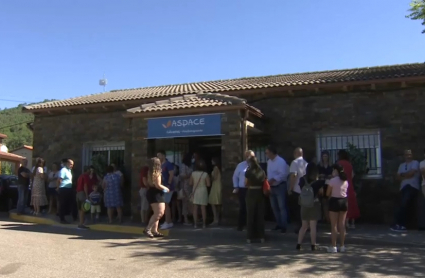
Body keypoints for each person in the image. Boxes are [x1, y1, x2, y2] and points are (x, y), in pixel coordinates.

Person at [296, 163, 325, 251]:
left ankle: (298, 244)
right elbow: (322, 192)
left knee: (304, 226)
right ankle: (313, 245)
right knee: (313, 226)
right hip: (314, 204)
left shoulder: (302, 180)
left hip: (304, 205)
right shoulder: (318, 182)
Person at [391, 149, 421, 232]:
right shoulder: (401, 165)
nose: (408, 156)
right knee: (401, 204)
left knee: (404, 203)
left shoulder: (415, 163)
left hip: (412, 186)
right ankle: (399, 224)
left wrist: (403, 175)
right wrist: (405, 175)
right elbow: (398, 177)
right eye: (406, 154)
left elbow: (411, 174)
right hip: (403, 187)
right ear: (404, 156)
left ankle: (402, 225)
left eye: (409, 154)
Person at [326, 163, 349, 253]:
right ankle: (342, 246)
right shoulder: (345, 181)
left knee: (334, 225)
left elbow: (328, 193)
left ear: (336, 171)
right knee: (342, 224)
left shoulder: (332, 180)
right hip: (344, 201)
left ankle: (334, 246)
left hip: (334, 201)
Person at [266, 146, 289, 233]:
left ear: (272, 152)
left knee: (281, 206)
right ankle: (279, 224)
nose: (266, 154)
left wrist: (274, 179)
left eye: (267, 153)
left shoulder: (281, 161)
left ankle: (284, 225)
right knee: (274, 207)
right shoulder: (269, 162)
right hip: (271, 186)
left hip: (280, 186)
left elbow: (283, 174)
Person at [144, 157, 170, 238]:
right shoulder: (157, 172)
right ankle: (148, 229)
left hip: (151, 192)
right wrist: (166, 188)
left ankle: (155, 231)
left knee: (156, 213)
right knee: (160, 213)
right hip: (156, 193)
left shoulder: (149, 172)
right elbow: (158, 185)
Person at [245, 156, 266, 244]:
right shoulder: (262, 172)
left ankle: (250, 237)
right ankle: (261, 236)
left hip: (251, 193)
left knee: (250, 215)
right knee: (260, 215)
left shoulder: (249, 172)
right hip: (260, 193)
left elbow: (245, 183)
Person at [233, 150, 255, 231]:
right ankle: (241, 225)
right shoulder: (240, 165)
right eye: (247, 156)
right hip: (242, 189)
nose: (249, 158)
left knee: (252, 207)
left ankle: (252, 225)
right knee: (243, 207)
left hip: (253, 189)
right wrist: (236, 187)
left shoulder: (255, 166)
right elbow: (235, 176)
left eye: (251, 156)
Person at [338, 150, 360, 229]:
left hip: (342, 185)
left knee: (344, 204)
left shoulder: (339, 164)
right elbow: (352, 175)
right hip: (350, 185)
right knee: (351, 203)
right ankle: (352, 223)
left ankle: (346, 222)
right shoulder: (349, 164)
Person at [288, 147, 308, 234]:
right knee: (305, 209)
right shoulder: (306, 163)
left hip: (297, 189)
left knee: (297, 209)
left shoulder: (294, 162)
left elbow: (294, 176)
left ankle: (300, 227)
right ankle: (306, 226)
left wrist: (291, 187)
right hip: (305, 189)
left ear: (295, 153)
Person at [190, 159, 211, 229]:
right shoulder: (205, 174)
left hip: (195, 191)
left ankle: (195, 224)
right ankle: (204, 224)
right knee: (203, 208)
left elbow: (190, 183)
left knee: (195, 208)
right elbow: (208, 184)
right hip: (203, 190)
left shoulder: (193, 173)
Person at [157, 150, 175, 230]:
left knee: (166, 204)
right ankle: (168, 221)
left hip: (168, 187)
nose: (158, 157)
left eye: (159, 155)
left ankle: (168, 222)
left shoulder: (168, 164)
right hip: (162, 187)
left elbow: (171, 174)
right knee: (165, 204)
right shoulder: (160, 165)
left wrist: (168, 183)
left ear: (163, 156)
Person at [57, 159, 75, 224]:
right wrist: (58, 187)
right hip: (63, 188)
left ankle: (71, 216)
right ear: (67, 163)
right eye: (70, 164)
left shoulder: (69, 171)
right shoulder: (63, 170)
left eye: (72, 165)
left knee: (70, 203)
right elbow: (60, 179)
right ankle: (62, 218)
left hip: (69, 188)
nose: (72, 166)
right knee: (62, 204)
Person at [318, 151, 332, 223]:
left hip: (329, 185)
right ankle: (324, 217)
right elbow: (318, 176)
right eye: (323, 156)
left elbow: (332, 176)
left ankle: (328, 218)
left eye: (326, 156)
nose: (325, 158)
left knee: (329, 201)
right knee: (323, 201)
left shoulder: (331, 166)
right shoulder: (319, 166)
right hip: (322, 185)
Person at [179, 153, 193, 225]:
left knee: (190, 203)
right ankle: (185, 219)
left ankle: (190, 217)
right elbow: (182, 176)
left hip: (190, 186)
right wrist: (189, 175)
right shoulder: (183, 166)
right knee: (185, 203)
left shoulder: (190, 165)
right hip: (185, 186)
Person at [209, 157, 222, 225]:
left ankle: (215, 218)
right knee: (217, 203)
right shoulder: (218, 168)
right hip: (217, 185)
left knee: (213, 202)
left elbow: (214, 177)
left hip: (215, 186)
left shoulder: (215, 168)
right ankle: (217, 218)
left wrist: (209, 177)